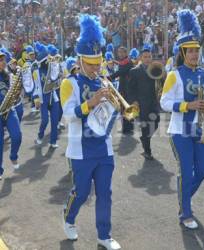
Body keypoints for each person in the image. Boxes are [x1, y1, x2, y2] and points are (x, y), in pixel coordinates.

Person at [60, 14, 121, 250]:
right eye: (92, 63)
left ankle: (104, 236)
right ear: (81, 60)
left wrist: (115, 105)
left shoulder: (103, 82)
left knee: (105, 193)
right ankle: (68, 216)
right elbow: (68, 116)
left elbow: (111, 113)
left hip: (103, 147)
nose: (97, 68)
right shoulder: (70, 83)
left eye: (99, 63)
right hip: (80, 148)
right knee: (82, 192)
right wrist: (91, 102)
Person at [160, 9, 204, 229]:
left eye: (196, 50)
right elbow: (164, 102)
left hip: (201, 128)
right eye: (189, 50)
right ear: (182, 52)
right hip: (179, 131)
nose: (194, 54)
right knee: (185, 171)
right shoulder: (174, 74)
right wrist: (187, 105)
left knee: (203, 170)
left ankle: (184, 199)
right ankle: (186, 212)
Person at [128, 44, 160, 160]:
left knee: (156, 122)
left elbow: (161, 81)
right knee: (146, 126)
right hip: (141, 104)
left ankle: (145, 138)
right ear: (141, 58)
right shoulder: (134, 71)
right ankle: (148, 151)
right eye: (145, 57)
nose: (148, 59)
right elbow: (130, 89)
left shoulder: (155, 69)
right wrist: (134, 101)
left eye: (149, 56)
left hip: (154, 102)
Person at [0, 49, 22, 180]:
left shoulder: (9, 75)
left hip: (9, 110)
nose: (2, 62)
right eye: (0, 60)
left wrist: (17, 94)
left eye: (3, 59)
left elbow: (14, 94)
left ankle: (13, 156)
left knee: (17, 136)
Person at [32, 42, 60, 148]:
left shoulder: (53, 67)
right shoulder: (36, 71)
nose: (50, 59)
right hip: (43, 98)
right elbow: (35, 87)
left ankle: (53, 141)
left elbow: (57, 81)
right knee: (45, 120)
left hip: (53, 97)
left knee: (54, 120)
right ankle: (40, 136)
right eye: (47, 58)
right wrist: (36, 99)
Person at [110, 47, 134, 134]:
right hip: (124, 86)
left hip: (127, 87)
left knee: (125, 107)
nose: (120, 54)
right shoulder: (125, 61)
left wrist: (110, 77)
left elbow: (121, 72)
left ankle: (127, 127)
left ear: (125, 53)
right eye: (119, 52)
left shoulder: (127, 62)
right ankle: (129, 127)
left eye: (121, 52)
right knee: (125, 107)